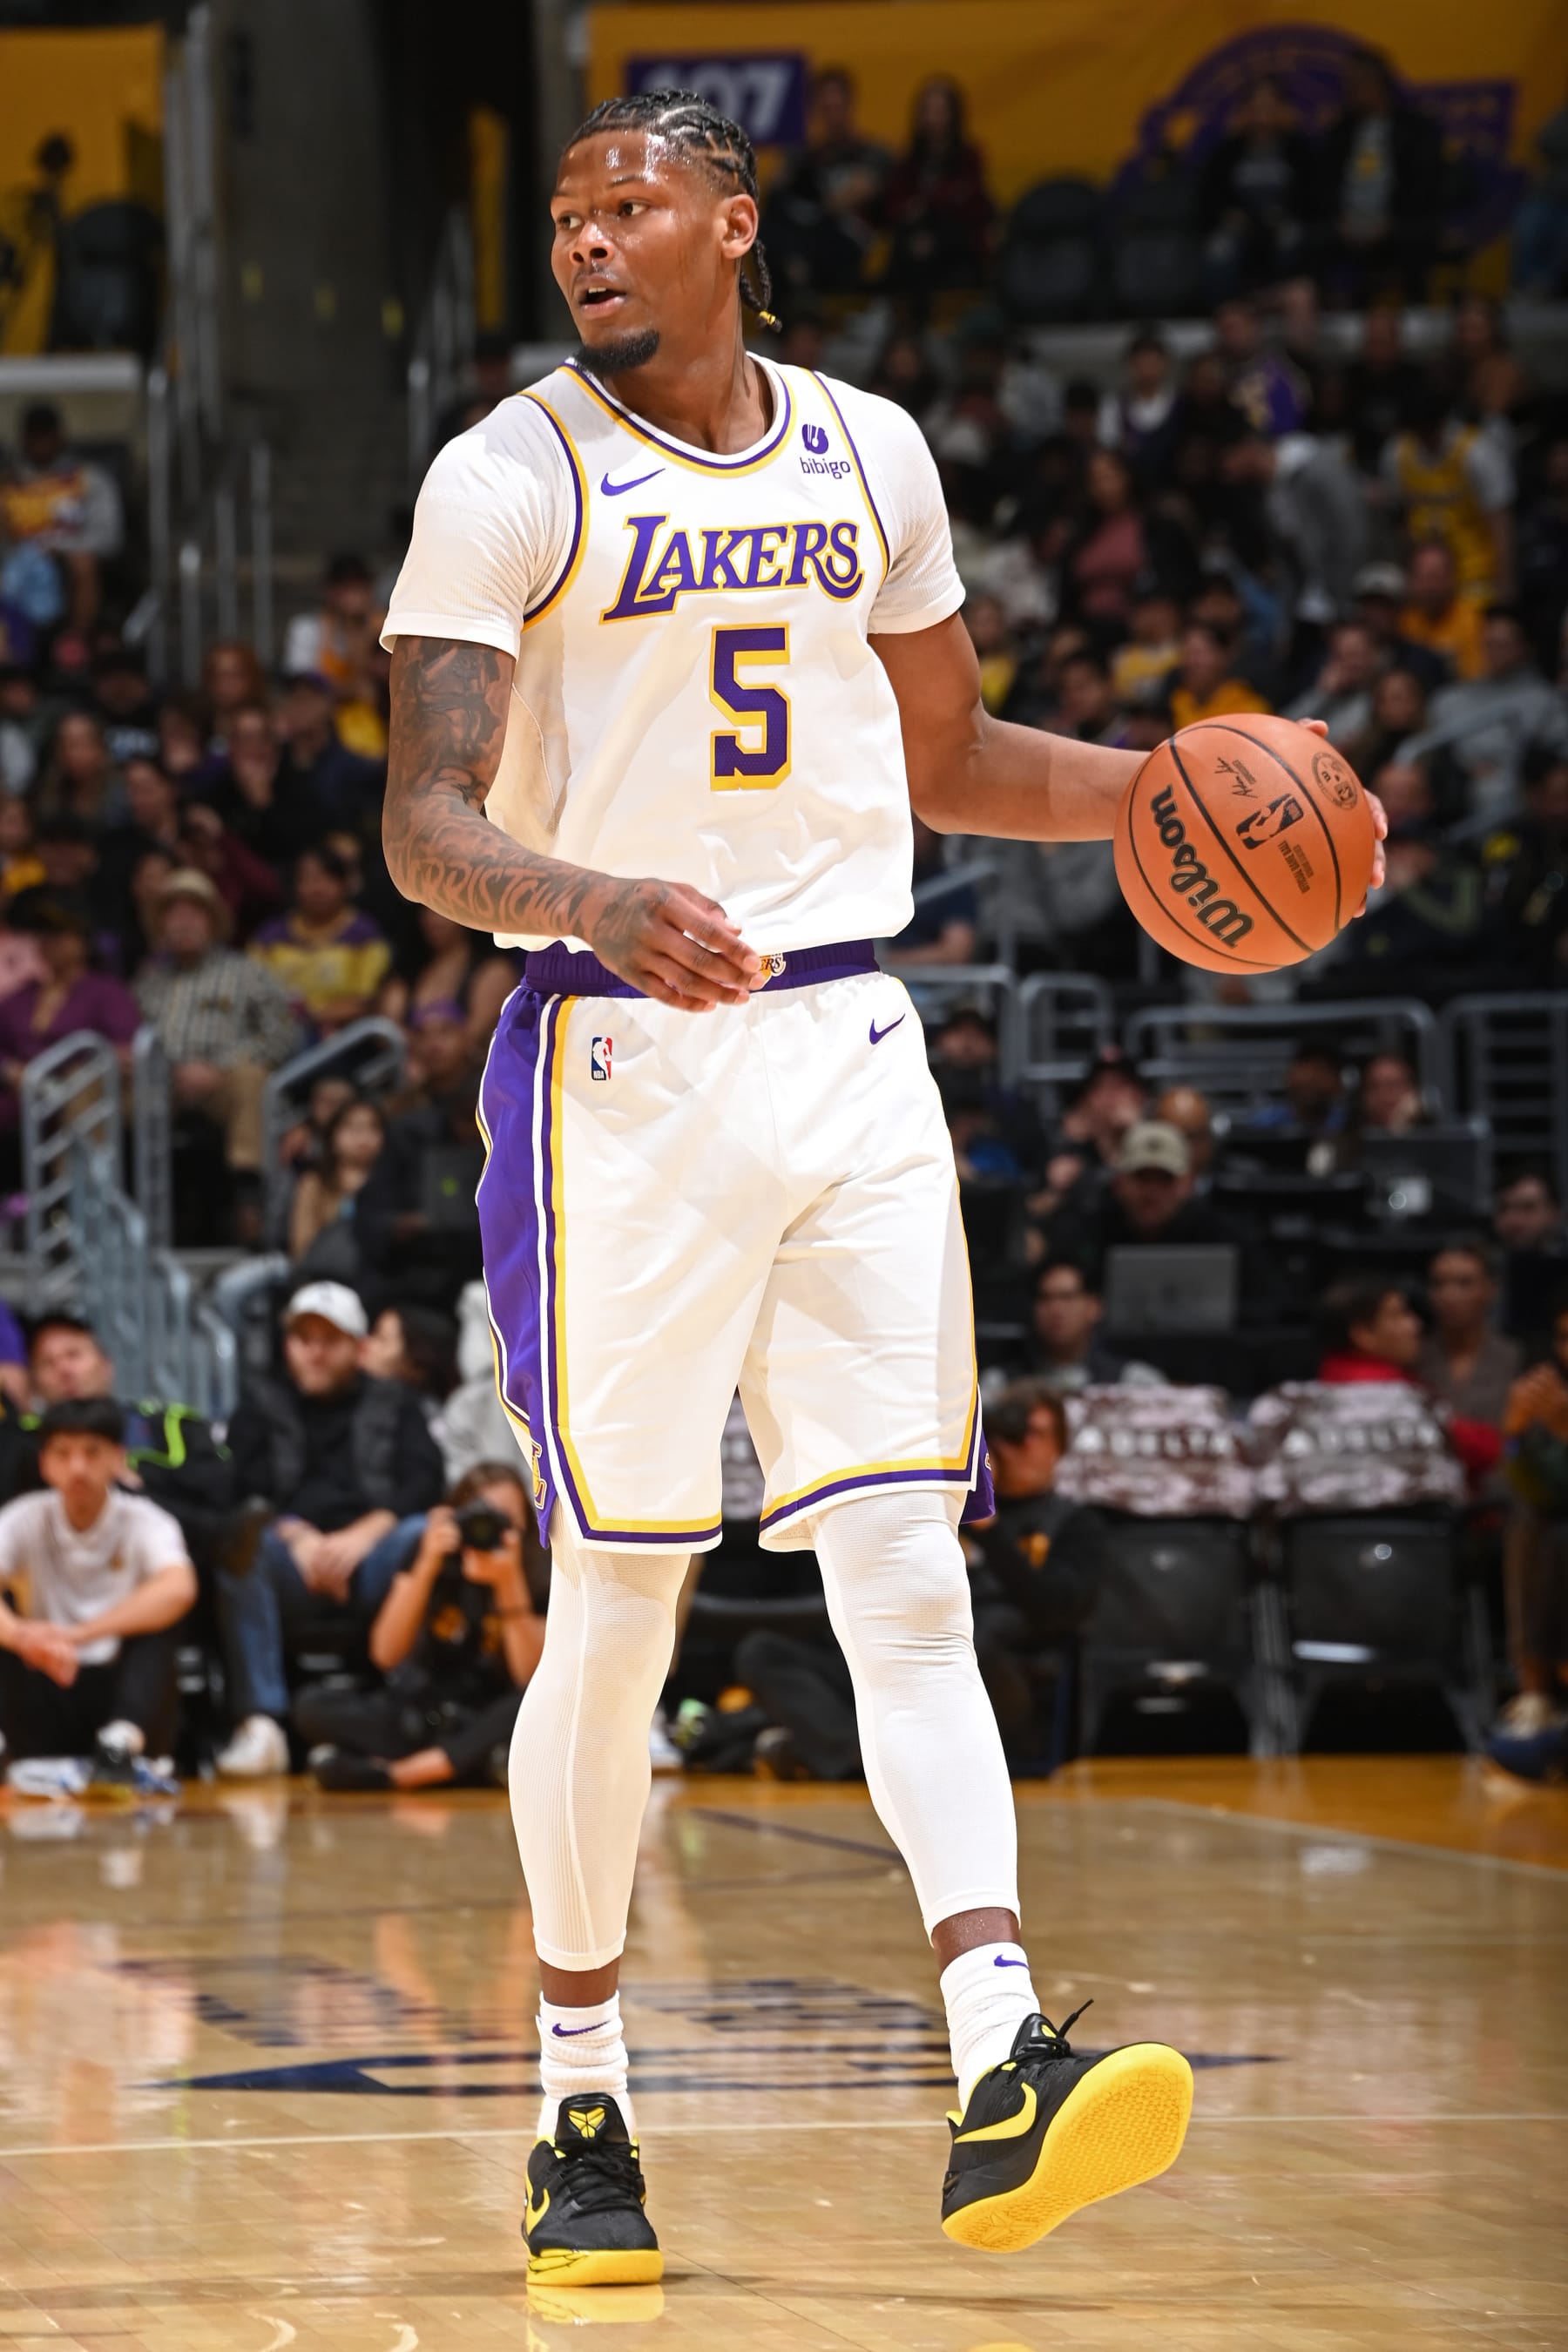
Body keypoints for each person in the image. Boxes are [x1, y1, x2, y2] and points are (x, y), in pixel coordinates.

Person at [379, 87, 1385, 2281]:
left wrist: (1189, 795)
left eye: (629, 206)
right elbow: (426, 823)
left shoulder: (869, 449)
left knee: (904, 1572)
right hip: (619, 1052)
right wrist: (589, 892)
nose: (587, 243)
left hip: (846, 1037)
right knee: (623, 1595)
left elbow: (950, 759)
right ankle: (579, 2112)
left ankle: (1001, 2057)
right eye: (566, 218)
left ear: (732, 227)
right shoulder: (508, 475)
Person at [212, 1281, 445, 1778]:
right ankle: (262, 1723)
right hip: (288, 1559)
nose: (315, 1353)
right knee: (240, 1541)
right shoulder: (259, 1405)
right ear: (287, 1346)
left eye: (330, 1340)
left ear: (359, 1348)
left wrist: (366, 1534)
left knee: (425, 1534)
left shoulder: (397, 1404)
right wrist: (296, 1536)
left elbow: (426, 1482)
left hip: (375, 1558)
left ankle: (408, 1713)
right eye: (304, 1339)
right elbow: (238, 1492)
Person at [296, 1462, 544, 1790]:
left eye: (505, 1520)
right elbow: (385, 1654)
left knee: (529, 1707)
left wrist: (508, 1583)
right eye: (480, 1516)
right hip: (426, 1714)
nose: (490, 1530)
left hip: (491, 1715)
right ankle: (471, 1766)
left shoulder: (539, 1570)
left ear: (527, 1523)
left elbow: (529, 1676)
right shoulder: (428, 1554)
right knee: (312, 1706)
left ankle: (400, 1774)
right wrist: (426, 1565)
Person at [0, 1398, 195, 1781]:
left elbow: (179, 1588)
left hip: (119, 1690)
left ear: (118, 1459)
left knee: (161, 1623)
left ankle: (120, 1745)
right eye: (63, 1453)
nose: (78, 1468)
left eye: (92, 1453)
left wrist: (79, 1634)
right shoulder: (22, 1517)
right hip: (47, 1684)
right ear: (44, 1463)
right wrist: (24, 1638)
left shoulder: (148, 1520)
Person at [27, 1313, 239, 1582]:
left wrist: (141, 1479)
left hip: (182, 1566)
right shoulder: (22, 1442)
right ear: (34, 1383)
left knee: (239, 1539)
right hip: (63, 1572)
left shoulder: (169, 1423)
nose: (64, 1370)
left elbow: (223, 1489)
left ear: (107, 1365)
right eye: (48, 1363)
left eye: (74, 1355)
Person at [135, 868, 300, 1194]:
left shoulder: (246, 972)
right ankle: (79, 1192)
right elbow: (130, 1036)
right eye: (174, 913)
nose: (183, 922)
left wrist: (220, 1068)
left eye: (194, 912)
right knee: (95, 1085)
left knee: (252, 1079)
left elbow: (283, 1036)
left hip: (224, 1082)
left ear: (211, 922)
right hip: (161, 1083)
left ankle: (248, 1192)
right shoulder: (148, 981)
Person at [967, 1382, 1103, 1766]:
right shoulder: (954, 1511)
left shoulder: (1078, 1523)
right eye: (1013, 1434)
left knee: (976, 1634)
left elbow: (1054, 1610)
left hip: (1018, 1676)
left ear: (1059, 1447)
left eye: (1037, 1434)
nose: (1022, 1446)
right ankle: (854, 1755)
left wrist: (990, 1535)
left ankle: (855, 1755)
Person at [1310, 46, 1443, 302]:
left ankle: (1416, 311)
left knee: (1416, 237)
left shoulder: (1415, 128)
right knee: (1311, 240)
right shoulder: (1341, 131)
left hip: (1397, 220)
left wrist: (1390, 221)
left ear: (1378, 83)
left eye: (1356, 83)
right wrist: (1339, 219)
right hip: (1346, 223)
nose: (1349, 91)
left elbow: (1425, 185)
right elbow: (1321, 185)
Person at [1496, 1307, 1568, 1745]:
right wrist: (1517, 1432)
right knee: (1533, 1522)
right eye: (1563, 1337)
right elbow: (1540, 1490)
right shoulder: (1554, 1394)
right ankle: (1536, 1692)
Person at [1423, 606, 1568, 818]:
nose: (1494, 652)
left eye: (1503, 645)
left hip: (1519, 798)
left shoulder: (1545, 700)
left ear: (1524, 647)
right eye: (1489, 644)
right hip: (1454, 792)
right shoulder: (1450, 699)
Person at [763, 67, 890, 297]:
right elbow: (775, 191)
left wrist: (812, 191)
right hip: (809, 244)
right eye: (825, 109)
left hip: (849, 247)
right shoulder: (805, 157)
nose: (831, 116)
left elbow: (842, 201)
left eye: (837, 108)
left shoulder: (872, 154)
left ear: (850, 106)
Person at [0, 401, 124, 634]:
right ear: (23, 437)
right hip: (16, 564)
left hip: (68, 563)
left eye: (46, 435)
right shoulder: (8, 484)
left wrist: (61, 548)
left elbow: (109, 537)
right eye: (34, 435)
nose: (40, 443)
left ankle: (76, 641)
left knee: (83, 563)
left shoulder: (88, 480)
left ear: (60, 435)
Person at [248, 846, 391, 1035]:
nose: (317, 888)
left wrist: (314, 1016)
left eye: (327, 879)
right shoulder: (270, 936)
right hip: (274, 1033)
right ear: (295, 885)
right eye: (308, 879)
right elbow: (249, 989)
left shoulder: (365, 935)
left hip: (343, 1037)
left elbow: (366, 1001)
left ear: (344, 884)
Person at [880, 77, 994, 295]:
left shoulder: (969, 157)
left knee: (934, 233)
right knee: (909, 239)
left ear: (953, 115)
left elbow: (970, 205)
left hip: (956, 239)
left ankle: (888, 308)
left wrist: (926, 204)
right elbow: (895, 205)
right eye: (927, 111)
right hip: (916, 236)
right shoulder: (910, 159)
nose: (933, 119)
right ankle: (889, 309)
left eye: (940, 111)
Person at [1416, 1242, 1521, 1434]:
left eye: (1464, 1283)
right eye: (1438, 1284)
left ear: (1491, 1289)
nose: (1449, 1295)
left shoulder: (1516, 1358)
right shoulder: (1413, 1357)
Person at [1020, 1258, 1163, 1392]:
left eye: (1067, 1297)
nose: (1055, 1309)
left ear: (1094, 1306)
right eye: (1045, 1298)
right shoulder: (1004, 1385)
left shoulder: (1134, 1383)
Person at [288, 1094, 387, 1269]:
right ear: (333, 1135)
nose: (364, 1136)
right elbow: (301, 1247)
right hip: (322, 1275)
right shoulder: (313, 1184)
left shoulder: (392, 1183)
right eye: (354, 1128)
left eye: (373, 1128)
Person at [1399, 540, 1485, 682]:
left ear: (1453, 579)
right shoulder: (1403, 621)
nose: (1430, 587)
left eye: (1437, 577)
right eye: (1423, 577)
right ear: (1411, 581)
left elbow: (1475, 679)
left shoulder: (1474, 622)